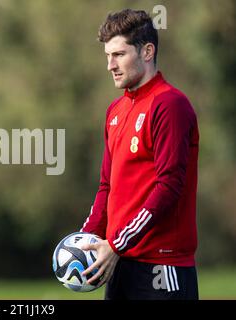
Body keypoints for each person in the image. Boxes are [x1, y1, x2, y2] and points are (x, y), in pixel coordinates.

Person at [80, 9, 199, 300]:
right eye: (107, 56)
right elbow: (107, 187)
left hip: (162, 267)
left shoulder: (170, 105)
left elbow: (169, 186)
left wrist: (117, 244)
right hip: (121, 264)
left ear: (147, 51)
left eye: (119, 54)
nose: (110, 65)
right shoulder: (115, 112)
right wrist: (86, 238)